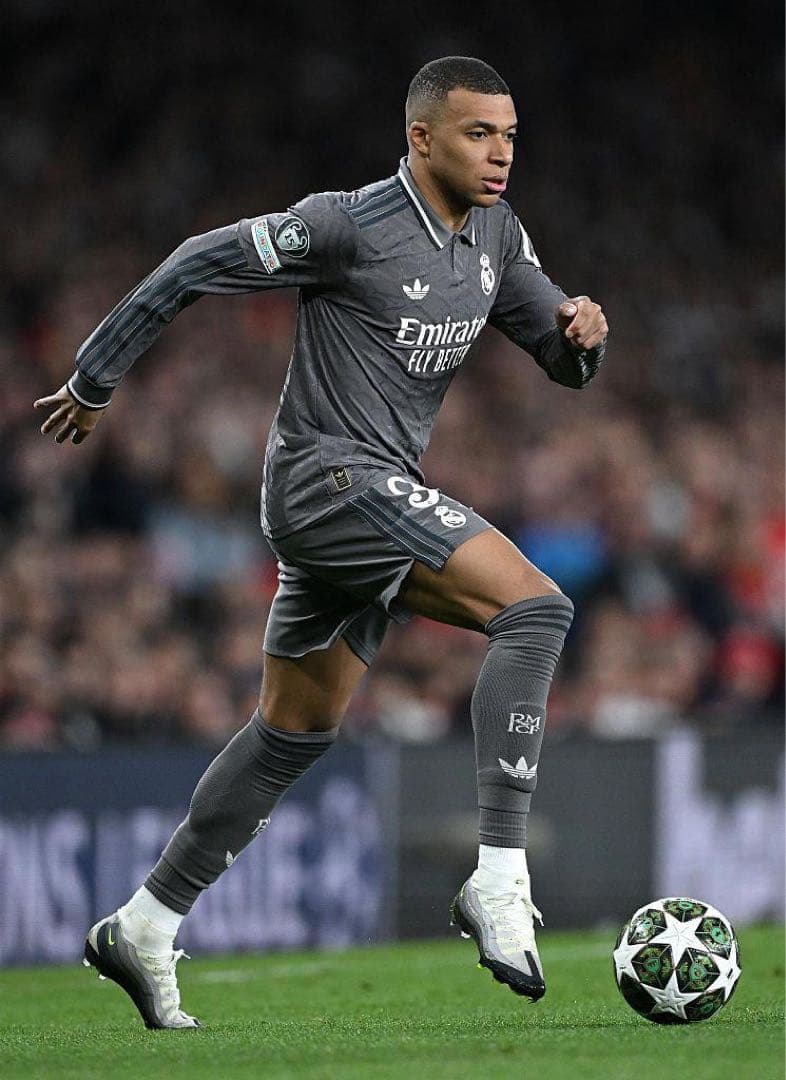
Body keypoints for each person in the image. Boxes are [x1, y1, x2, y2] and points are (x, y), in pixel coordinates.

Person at [35, 56, 608, 1029]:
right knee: (536, 609)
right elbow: (194, 262)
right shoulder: (347, 226)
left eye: (510, 135)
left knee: (292, 731)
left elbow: (557, 353)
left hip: (371, 499)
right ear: (421, 137)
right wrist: (95, 378)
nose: (501, 152)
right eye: (478, 133)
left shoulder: (497, 236)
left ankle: (144, 921)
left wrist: (581, 338)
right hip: (328, 482)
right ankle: (500, 877)